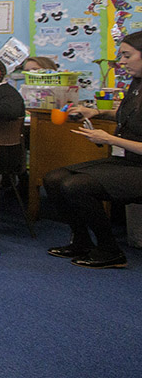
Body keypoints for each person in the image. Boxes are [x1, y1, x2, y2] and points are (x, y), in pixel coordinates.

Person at [42, 31, 142, 269]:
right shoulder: (136, 84)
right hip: (128, 162)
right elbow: (127, 116)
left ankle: (110, 250)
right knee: (53, 178)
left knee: (76, 185)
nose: (122, 61)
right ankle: (81, 241)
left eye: (127, 55)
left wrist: (109, 139)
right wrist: (96, 112)